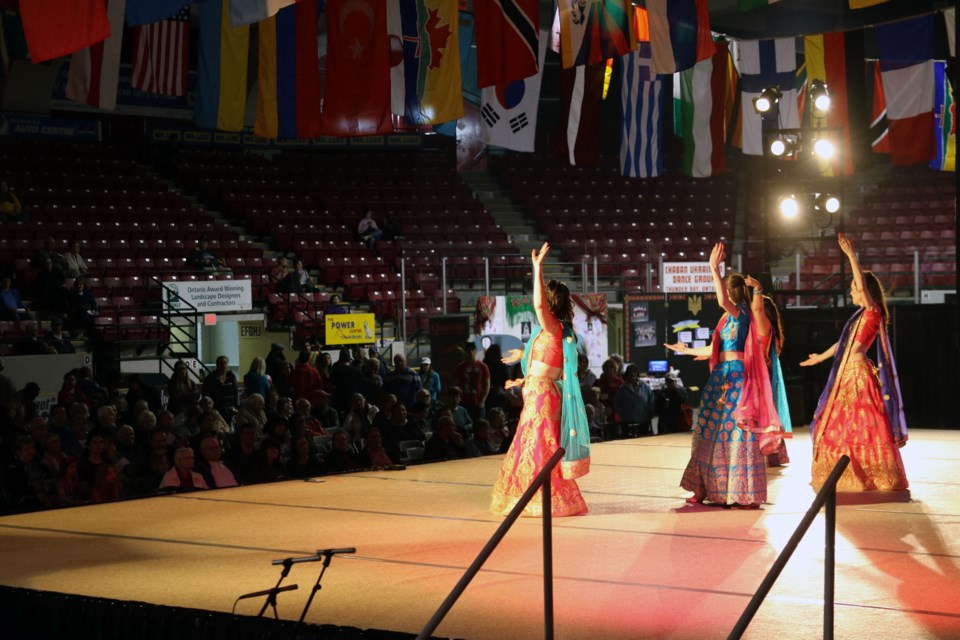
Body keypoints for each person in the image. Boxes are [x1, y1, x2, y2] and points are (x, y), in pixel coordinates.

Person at [665, 242, 782, 509]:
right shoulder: (725, 321)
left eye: (724, 291)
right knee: (708, 431)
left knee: (735, 434)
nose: (722, 299)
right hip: (720, 378)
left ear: (731, 293)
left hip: (737, 379)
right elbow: (715, 349)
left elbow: (721, 301)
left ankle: (740, 490)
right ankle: (704, 487)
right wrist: (686, 349)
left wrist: (713, 270)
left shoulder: (741, 314)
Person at [800, 233, 908, 492]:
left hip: (858, 377)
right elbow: (842, 346)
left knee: (865, 429)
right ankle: (846, 474)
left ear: (863, 290)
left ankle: (874, 475)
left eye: (853, 287)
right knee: (837, 427)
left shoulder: (873, 313)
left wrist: (851, 257)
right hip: (844, 377)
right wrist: (820, 357)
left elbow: (861, 282)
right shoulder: (858, 317)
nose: (851, 291)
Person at [490, 242, 590, 518]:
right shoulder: (555, 332)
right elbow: (549, 362)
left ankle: (541, 497)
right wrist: (523, 357)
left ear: (550, 302)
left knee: (538, 444)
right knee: (535, 442)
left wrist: (538, 268)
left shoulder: (552, 326)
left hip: (542, 395)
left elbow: (537, 304)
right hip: (539, 392)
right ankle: (535, 495)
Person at [745, 275, 792, 466]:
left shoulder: (764, 326)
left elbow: (756, 309)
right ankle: (769, 455)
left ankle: (764, 454)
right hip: (761, 376)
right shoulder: (763, 328)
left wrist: (757, 287)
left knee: (762, 415)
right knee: (764, 413)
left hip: (761, 378)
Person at [613, 364, 655, 437]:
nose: (632, 374)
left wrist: (651, 414)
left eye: (634, 372)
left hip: (644, 421)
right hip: (627, 422)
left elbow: (651, 402)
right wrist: (623, 415)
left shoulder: (645, 387)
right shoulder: (622, 389)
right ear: (627, 374)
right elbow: (617, 404)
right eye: (630, 372)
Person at [456, 342, 490, 421]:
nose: (470, 352)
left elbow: (487, 385)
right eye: (468, 350)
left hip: (478, 402)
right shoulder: (460, 367)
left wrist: (483, 400)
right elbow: (457, 384)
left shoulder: (483, 366)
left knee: (480, 424)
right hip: (464, 402)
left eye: (472, 350)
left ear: (475, 351)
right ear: (465, 352)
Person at [201, 356, 240, 423]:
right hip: (217, 408)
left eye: (225, 363)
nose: (223, 365)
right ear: (217, 365)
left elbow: (236, 392)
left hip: (231, 407)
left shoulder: (231, 376)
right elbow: (204, 392)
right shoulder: (211, 377)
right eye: (221, 363)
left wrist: (237, 406)